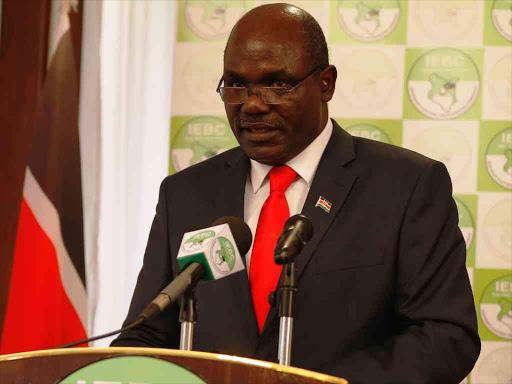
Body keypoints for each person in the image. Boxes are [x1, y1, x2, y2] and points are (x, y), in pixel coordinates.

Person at [112, 4, 480, 383]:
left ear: (326, 84)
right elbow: (146, 334)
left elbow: (446, 337)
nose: (252, 104)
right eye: (236, 85)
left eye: (277, 84)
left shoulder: (406, 186)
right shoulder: (186, 193)